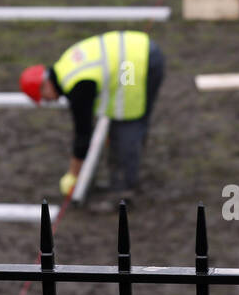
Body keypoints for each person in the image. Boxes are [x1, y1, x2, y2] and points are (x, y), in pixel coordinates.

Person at [19, 30, 165, 209]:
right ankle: (124, 180)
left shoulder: (78, 85)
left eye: (44, 97)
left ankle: (123, 192)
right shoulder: (66, 66)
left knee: (126, 123)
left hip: (135, 62)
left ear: (45, 85)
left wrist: (73, 175)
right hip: (140, 51)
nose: (49, 101)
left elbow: (83, 134)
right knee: (125, 122)